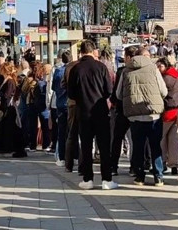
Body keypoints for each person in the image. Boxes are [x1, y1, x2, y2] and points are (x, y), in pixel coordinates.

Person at [68, 40, 114, 190]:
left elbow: (71, 93)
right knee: (104, 146)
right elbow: (108, 90)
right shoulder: (101, 67)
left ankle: (88, 179)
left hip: (83, 111)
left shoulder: (76, 69)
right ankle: (107, 179)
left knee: (86, 147)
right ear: (93, 50)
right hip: (100, 110)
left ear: (81, 52)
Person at [117, 47, 167, 186]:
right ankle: (158, 176)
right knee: (155, 145)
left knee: (138, 146)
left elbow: (118, 94)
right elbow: (163, 90)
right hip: (153, 114)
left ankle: (139, 176)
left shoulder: (126, 70)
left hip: (134, 116)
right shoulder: (153, 69)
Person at [0, 62, 26, 158]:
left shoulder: (10, 81)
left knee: (7, 129)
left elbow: (6, 96)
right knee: (6, 130)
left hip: (8, 109)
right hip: (6, 108)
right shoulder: (7, 80)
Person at [110, 46, 138, 176]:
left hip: (122, 109)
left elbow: (117, 92)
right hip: (137, 110)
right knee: (134, 140)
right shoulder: (144, 69)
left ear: (127, 57)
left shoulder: (122, 71)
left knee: (117, 139)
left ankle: (113, 166)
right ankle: (134, 166)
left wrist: (114, 102)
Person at [157, 56, 178, 176]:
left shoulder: (166, 78)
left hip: (167, 111)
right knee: (173, 140)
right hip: (177, 110)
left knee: (161, 138)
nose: (158, 68)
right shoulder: (177, 75)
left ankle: (162, 162)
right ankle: (174, 165)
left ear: (166, 66)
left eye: (160, 66)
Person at [52, 50, 71, 167]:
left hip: (60, 104)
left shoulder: (58, 71)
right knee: (73, 131)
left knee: (62, 131)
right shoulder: (73, 70)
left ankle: (62, 157)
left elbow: (54, 88)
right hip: (71, 104)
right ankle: (74, 155)